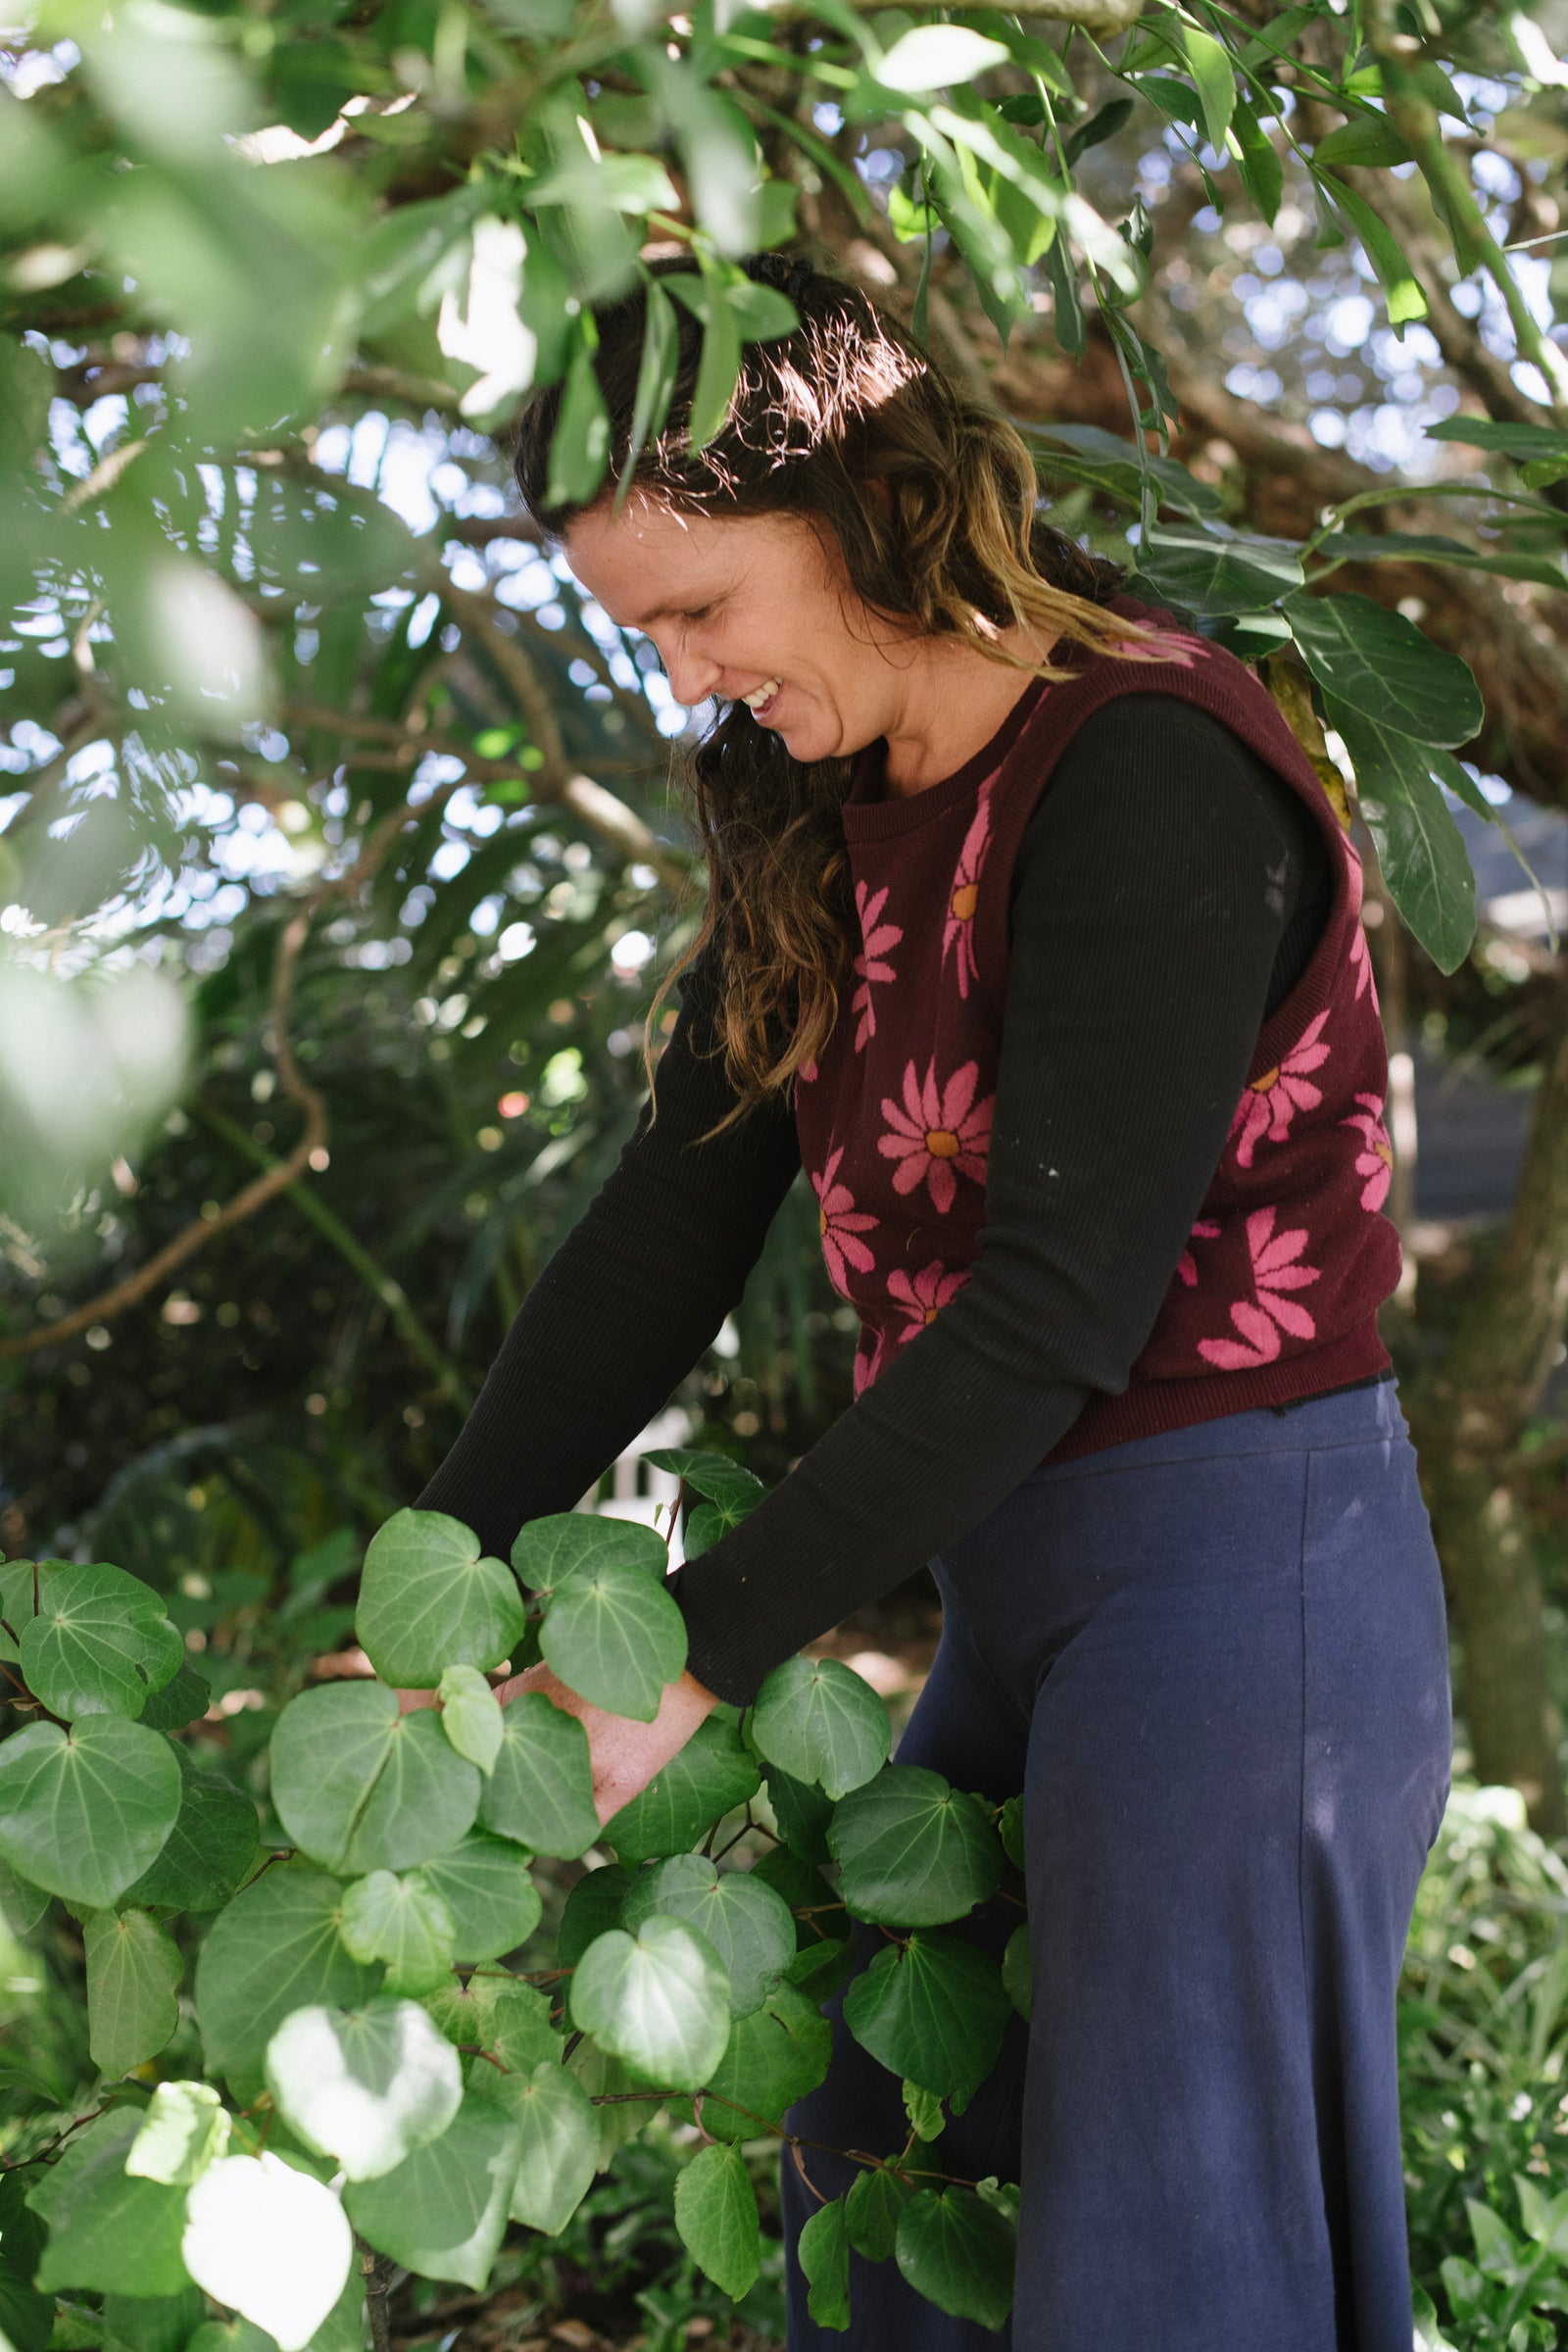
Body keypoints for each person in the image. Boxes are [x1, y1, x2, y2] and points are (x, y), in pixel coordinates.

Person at [416, 250, 1454, 2351]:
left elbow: (1051, 1313)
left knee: (1156, 2273)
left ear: (865, 505)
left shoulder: (1143, 765)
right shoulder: (820, 808)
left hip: (1231, 1573)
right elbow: (662, 1232)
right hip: (1019, 1576)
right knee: (880, 2185)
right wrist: (439, 1578)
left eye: (698, 609)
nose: (688, 679)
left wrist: (690, 1653)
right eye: (646, 636)